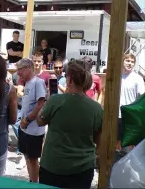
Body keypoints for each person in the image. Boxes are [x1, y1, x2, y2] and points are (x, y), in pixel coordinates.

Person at [37, 60, 103, 188]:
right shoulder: (96, 108)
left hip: (53, 166)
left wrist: (46, 102)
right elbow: (98, 141)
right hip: (82, 168)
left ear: (69, 79)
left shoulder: (55, 100)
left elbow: (40, 121)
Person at [16, 58, 47, 183]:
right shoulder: (27, 83)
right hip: (25, 128)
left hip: (34, 130)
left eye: (20, 70)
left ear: (29, 68)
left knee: (33, 159)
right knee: (26, 156)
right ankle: (31, 180)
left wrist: (27, 119)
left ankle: (35, 183)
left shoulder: (37, 82)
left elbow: (41, 104)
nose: (18, 73)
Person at [117, 53, 145, 150]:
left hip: (130, 117)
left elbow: (141, 98)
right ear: (122, 61)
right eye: (127, 61)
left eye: (132, 62)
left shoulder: (138, 78)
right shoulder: (117, 77)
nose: (130, 63)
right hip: (117, 115)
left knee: (129, 146)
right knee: (117, 144)